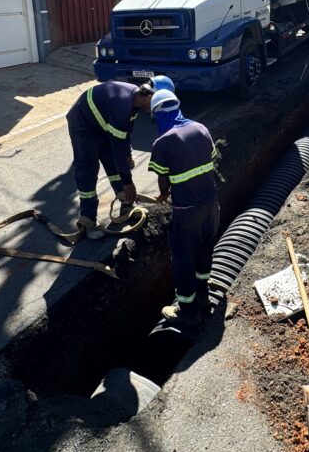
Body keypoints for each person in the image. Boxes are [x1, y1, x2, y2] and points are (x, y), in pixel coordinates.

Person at [147, 90, 220, 328]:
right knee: (204, 253)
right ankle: (203, 298)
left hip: (187, 213)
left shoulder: (162, 142)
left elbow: (163, 181)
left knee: (183, 260)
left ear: (157, 114)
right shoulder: (201, 128)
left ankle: (187, 311)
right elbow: (211, 161)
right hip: (212, 207)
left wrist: (164, 194)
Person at [67, 80, 154, 239]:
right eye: (156, 102)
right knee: (88, 170)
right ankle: (88, 222)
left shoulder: (135, 101)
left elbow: (126, 131)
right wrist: (128, 182)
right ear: (147, 94)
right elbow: (118, 146)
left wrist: (128, 153)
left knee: (114, 163)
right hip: (83, 123)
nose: (155, 109)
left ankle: (126, 204)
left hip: (102, 123)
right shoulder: (122, 106)